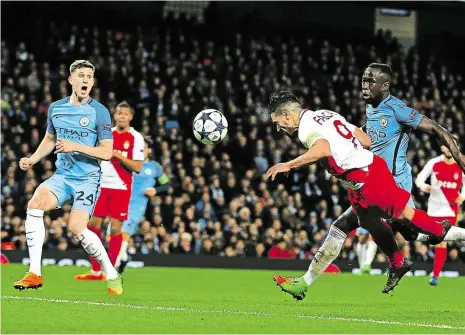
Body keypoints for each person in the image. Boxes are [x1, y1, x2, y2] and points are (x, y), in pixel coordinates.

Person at [272, 63, 465, 300]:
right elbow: (364, 138)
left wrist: (289, 164)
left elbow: (322, 149)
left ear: (287, 115)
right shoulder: (329, 114)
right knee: (361, 224)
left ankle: (440, 229)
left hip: (376, 178)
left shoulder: (308, 128)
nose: (278, 128)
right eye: (363, 80)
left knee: (409, 224)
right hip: (362, 178)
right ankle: (306, 282)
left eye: (277, 123)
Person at [13, 60, 123, 295]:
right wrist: (33, 159)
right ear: (71, 80)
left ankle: (111, 272)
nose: (85, 80)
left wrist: (76, 146)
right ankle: (34, 273)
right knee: (35, 204)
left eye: (89, 77)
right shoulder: (56, 108)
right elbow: (50, 139)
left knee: (76, 228)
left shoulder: (99, 111)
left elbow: (106, 152)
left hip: (87, 178)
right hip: (62, 176)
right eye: (81, 76)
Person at [75, 101, 144, 281]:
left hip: (121, 187)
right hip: (101, 185)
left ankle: (110, 271)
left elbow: (137, 167)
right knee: (92, 225)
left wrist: (118, 155)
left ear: (130, 117)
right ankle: (96, 271)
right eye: (119, 113)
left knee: (115, 228)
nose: (121, 116)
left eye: (125, 113)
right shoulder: (106, 135)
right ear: (115, 115)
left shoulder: (136, 137)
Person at [415, 135, 465, 285]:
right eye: (445, 144)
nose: (448, 146)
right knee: (436, 242)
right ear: (441, 147)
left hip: (450, 210)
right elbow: (419, 179)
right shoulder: (434, 163)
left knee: (441, 242)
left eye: (451, 144)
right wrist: (424, 187)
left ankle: (435, 275)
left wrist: (462, 197)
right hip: (433, 209)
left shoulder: (460, 164)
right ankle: (436, 271)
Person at [117, 137, 169, 273]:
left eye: (143, 148)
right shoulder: (129, 163)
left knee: (124, 230)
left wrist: (155, 190)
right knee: (114, 232)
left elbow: (167, 184)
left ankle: (115, 261)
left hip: (137, 205)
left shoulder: (155, 167)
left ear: (148, 150)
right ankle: (123, 258)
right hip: (121, 200)